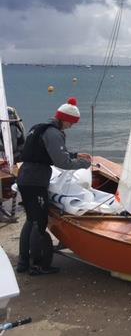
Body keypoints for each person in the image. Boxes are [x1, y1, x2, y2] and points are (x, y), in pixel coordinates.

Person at [16, 98, 91, 275]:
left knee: (31, 219)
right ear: (64, 119)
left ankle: (23, 263)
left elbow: (44, 151)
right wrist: (83, 164)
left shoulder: (39, 127)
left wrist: (74, 154)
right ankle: (37, 266)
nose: (71, 127)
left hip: (25, 176)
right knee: (39, 222)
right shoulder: (54, 133)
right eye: (71, 123)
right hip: (35, 180)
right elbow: (62, 162)